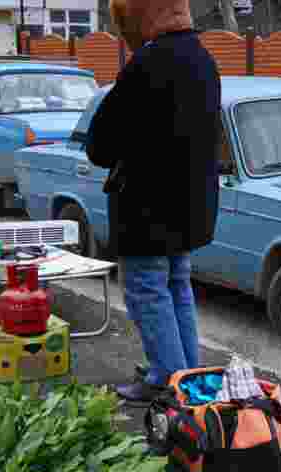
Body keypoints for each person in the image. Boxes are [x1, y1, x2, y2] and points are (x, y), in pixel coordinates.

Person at [85, 0, 222, 402]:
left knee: (146, 289)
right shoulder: (203, 61)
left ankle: (168, 382)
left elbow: (100, 146)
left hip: (147, 208)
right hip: (188, 205)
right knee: (176, 286)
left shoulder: (147, 64)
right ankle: (188, 378)